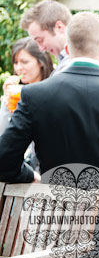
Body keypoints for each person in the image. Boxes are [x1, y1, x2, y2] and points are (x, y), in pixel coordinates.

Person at [0, 11, 99, 191]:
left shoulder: (33, 95)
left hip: (54, 215)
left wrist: (33, 176)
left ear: (68, 50)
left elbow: (4, 161)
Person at [0, 37, 54, 171]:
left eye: (24, 62)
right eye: (16, 62)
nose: (18, 68)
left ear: (40, 62)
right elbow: (4, 133)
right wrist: (7, 100)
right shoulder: (19, 94)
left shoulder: (52, 91)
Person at [20, 0, 72, 74]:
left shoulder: (77, 61)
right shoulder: (63, 61)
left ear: (59, 27)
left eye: (40, 40)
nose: (41, 49)